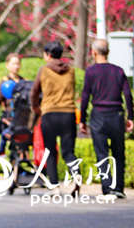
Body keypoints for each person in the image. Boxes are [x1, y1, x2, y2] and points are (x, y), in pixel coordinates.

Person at [79, 39, 134, 200]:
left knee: (102, 153)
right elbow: (128, 95)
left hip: (98, 115)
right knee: (119, 152)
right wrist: (130, 116)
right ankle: (119, 188)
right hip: (116, 114)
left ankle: (107, 187)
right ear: (108, 52)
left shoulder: (90, 72)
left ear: (94, 52)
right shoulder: (118, 71)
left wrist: (82, 119)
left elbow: (85, 97)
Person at [30, 41, 79, 195]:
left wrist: (36, 107)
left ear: (48, 55)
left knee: (50, 151)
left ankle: (54, 187)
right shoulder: (70, 70)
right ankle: (76, 174)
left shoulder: (44, 70)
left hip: (50, 114)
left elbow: (34, 92)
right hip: (69, 114)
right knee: (68, 151)